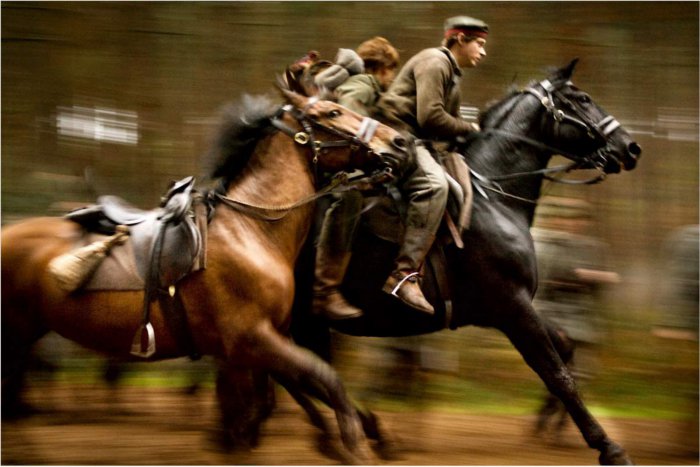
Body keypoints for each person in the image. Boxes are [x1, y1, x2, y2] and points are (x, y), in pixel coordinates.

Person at [374, 16, 487, 314]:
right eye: (479, 43)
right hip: (397, 136)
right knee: (434, 185)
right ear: (460, 38)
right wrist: (470, 129)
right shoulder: (435, 62)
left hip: (417, 140)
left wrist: (466, 136)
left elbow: (441, 127)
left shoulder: (452, 73)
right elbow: (430, 118)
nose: (483, 51)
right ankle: (403, 275)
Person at [311, 37, 401, 319]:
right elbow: (351, 127)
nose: (394, 77)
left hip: (341, 162)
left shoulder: (368, 89)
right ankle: (326, 290)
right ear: (383, 68)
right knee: (348, 199)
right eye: (392, 70)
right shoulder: (362, 86)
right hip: (332, 166)